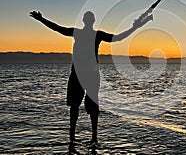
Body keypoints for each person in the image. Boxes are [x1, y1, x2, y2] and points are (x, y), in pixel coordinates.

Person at [29, 10, 148, 147]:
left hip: (88, 74)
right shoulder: (80, 33)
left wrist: (135, 27)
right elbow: (58, 29)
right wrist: (41, 19)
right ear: (88, 21)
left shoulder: (92, 34)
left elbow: (118, 38)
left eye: (89, 18)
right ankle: (76, 138)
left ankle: (91, 138)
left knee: (90, 106)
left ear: (88, 21)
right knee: (76, 106)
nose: (89, 20)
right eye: (88, 18)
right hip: (80, 74)